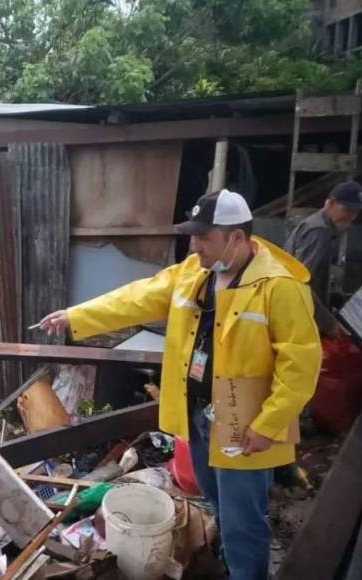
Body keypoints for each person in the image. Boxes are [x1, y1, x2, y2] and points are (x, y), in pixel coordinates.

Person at [40, 189, 321, 580]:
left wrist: (268, 425)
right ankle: (227, 567)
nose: (195, 245)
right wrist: (75, 316)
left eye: (204, 237)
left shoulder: (280, 286)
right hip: (200, 416)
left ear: (236, 238)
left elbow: (301, 366)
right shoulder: (194, 272)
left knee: (244, 520)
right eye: (194, 235)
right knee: (218, 504)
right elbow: (135, 298)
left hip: (246, 424)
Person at [284, 180, 362, 337]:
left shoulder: (319, 227)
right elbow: (300, 283)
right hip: (298, 318)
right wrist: (328, 324)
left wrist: (334, 297)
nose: (352, 216)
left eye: (356, 211)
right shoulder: (319, 232)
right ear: (330, 203)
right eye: (348, 209)